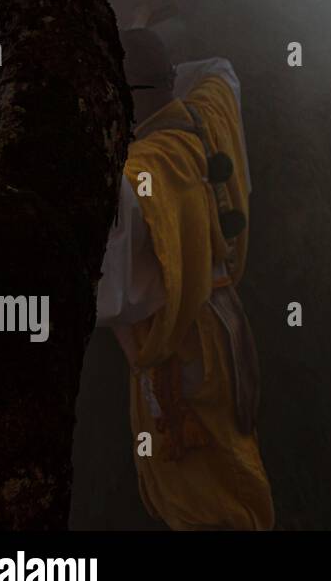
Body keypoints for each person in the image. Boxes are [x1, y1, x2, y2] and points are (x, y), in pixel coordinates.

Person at [97, 27, 273, 531]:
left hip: (181, 346)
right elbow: (216, 67)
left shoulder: (144, 170)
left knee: (202, 491)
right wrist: (144, 39)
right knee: (231, 464)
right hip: (225, 325)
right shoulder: (210, 113)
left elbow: (110, 294)